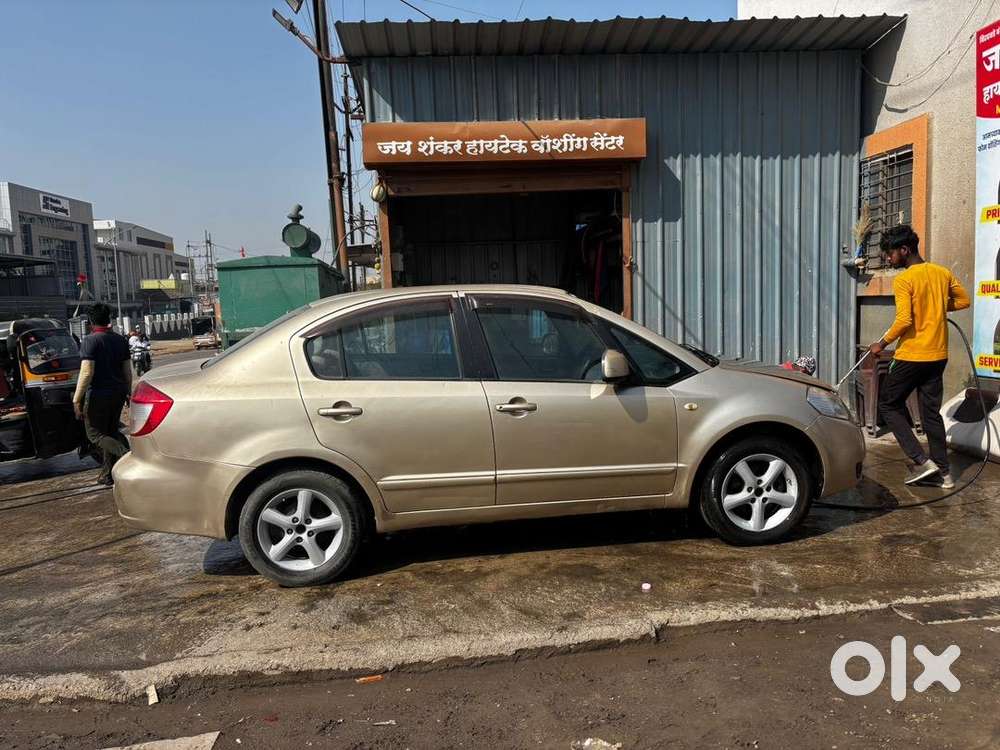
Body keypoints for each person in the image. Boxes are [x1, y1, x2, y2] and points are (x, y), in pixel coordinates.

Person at [869, 225, 971, 489]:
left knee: (888, 405)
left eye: (890, 254)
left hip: (912, 356)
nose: (889, 260)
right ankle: (944, 474)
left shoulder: (904, 280)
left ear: (905, 250)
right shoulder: (942, 273)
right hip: (938, 355)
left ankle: (920, 460)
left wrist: (881, 344)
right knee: (930, 413)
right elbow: (963, 301)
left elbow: (904, 320)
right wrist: (937, 306)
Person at [73, 304, 132, 485]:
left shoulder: (90, 340)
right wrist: (128, 393)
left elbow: (86, 372)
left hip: (98, 395)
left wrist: (76, 399)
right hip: (118, 393)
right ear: (110, 319)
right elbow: (127, 372)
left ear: (90, 321)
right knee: (110, 432)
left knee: (95, 435)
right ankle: (107, 474)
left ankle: (129, 457)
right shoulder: (120, 340)